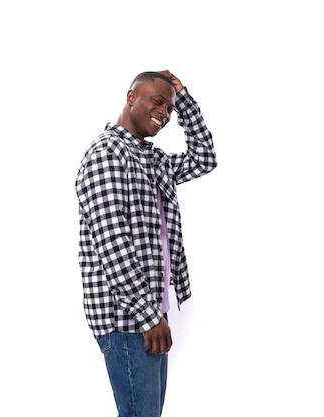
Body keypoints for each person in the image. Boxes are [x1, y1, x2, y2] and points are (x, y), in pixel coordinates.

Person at [75, 70, 217, 417]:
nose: (165, 113)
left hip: (150, 312)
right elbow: (113, 243)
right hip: (127, 318)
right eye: (158, 101)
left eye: (169, 108)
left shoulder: (150, 159)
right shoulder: (107, 154)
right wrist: (149, 316)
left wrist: (182, 100)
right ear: (131, 98)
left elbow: (204, 158)